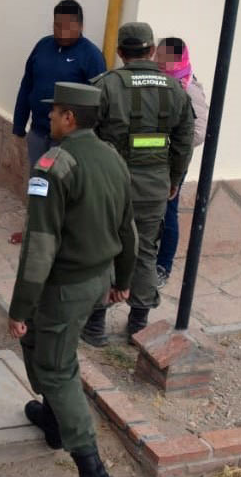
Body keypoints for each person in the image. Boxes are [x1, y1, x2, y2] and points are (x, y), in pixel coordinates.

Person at [8, 82, 136, 477]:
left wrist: (20, 307)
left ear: (69, 118)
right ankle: (54, 421)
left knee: (58, 370)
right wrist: (123, 278)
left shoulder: (52, 165)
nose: (49, 119)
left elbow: (41, 247)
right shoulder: (113, 157)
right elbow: (128, 227)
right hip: (96, 277)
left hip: (64, 285)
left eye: (55, 112)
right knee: (42, 349)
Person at [86, 22, 195, 344]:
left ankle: (94, 326)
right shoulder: (175, 89)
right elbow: (184, 141)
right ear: (151, 51)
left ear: (120, 52)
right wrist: (173, 179)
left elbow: (86, 136)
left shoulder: (105, 86)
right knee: (146, 251)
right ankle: (138, 322)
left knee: (104, 251)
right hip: (153, 187)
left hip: (112, 187)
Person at [9, 0, 107, 244]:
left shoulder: (91, 56)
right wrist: (19, 124)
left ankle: (61, 237)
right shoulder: (42, 46)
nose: (61, 32)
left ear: (81, 26)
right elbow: (26, 85)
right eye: (56, 25)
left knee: (64, 189)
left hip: (67, 142)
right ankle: (34, 229)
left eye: (68, 26)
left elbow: (98, 102)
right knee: (37, 183)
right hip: (39, 133)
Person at [154, 36, 208, 286]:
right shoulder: (157, 81)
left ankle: (163, 266)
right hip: (151, 159)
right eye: (157, 55)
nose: (158, 60)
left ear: (177, 58)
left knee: (168, 211)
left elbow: (198, 132)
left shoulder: (189, 87)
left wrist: (167, 145)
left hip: (173, 162)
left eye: (164, 57)